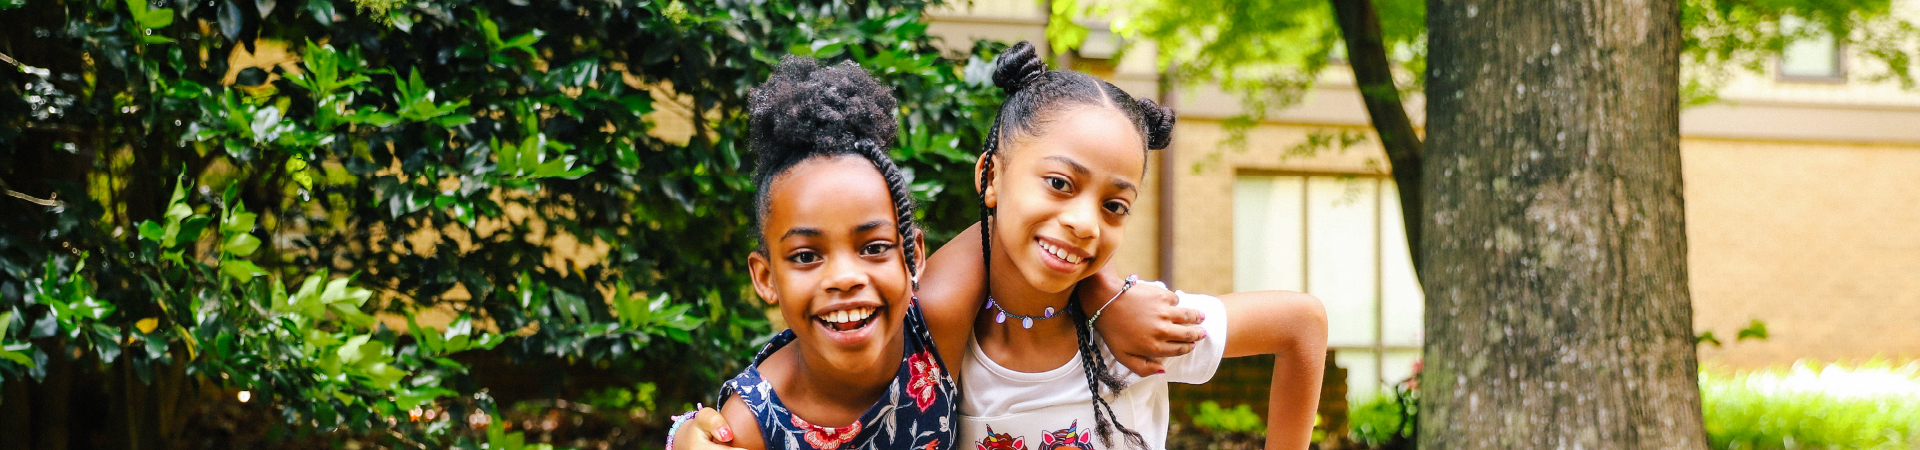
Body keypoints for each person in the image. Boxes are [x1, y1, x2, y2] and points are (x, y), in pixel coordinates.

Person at [669, 56, 1208, 450]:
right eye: (807, 256)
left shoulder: (936, 327)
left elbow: (1033, 230)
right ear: (765, 277)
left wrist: (1106, 295)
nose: (845, 277)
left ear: (914, 256)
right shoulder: (749, 425)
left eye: (875, 247)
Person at [954, 41, 1327, 450]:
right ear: (991, 176)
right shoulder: (945, 347)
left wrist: (1110, 299)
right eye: (1059, 183)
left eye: (1114, 205)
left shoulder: (1137, 333)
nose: (1085, 224)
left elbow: (1301, 324)